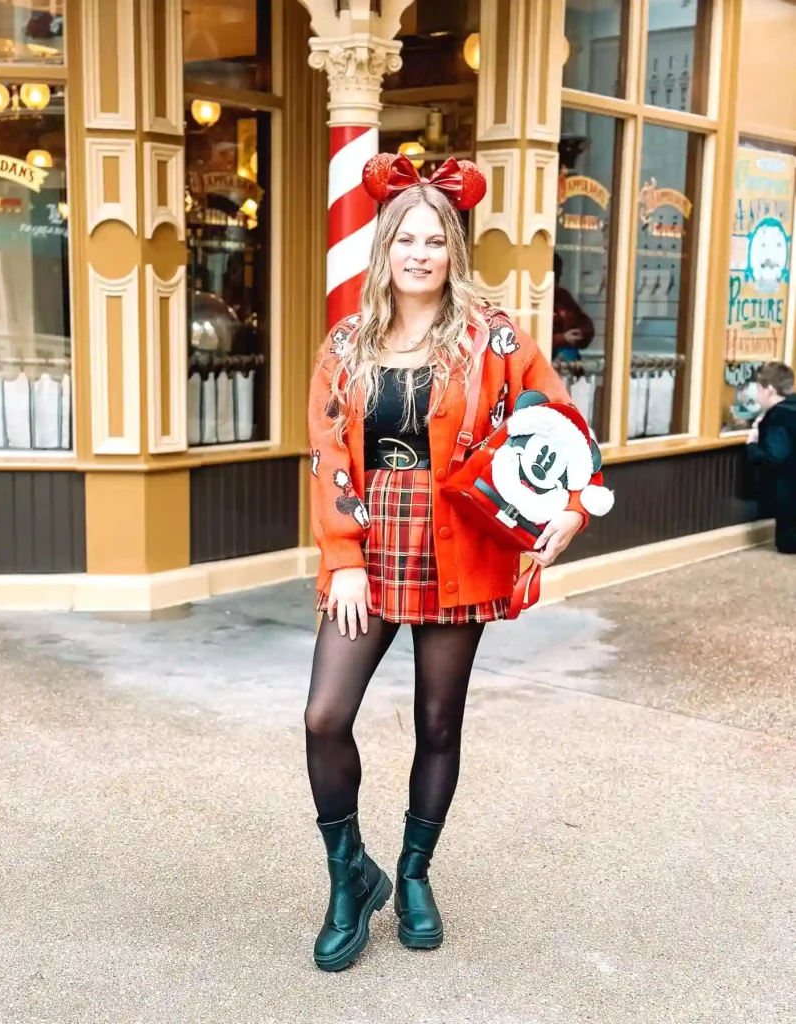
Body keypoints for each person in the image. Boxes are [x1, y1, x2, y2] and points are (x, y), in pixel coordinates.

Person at [305, 153, 596, 973]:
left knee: (438, 723)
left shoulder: (492, 336)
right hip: (369, 545)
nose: (421, 253)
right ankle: (348, 876)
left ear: (453, 252)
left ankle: (414, 873)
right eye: (407, 238)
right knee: (325, 717)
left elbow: (561, 422)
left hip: (456, 547)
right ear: (385, 248)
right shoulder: (346, 341)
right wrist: (344, 557)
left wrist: (571, 508)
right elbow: (327, 453)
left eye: (436, 240)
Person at [746, 361, 796, 554]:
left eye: (758, 389)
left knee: (785, 544)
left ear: (769, 390)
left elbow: (773, 456)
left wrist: (752, 445)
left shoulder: (778, 417)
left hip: (790, 498)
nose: (756, 395)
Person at [552, 251, 595, 362]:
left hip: (568, 364)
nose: (555, 282)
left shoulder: (562, 296)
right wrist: (563, 339)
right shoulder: (530, 299)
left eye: (558, 277)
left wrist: (580, 334)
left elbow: (586, 325)